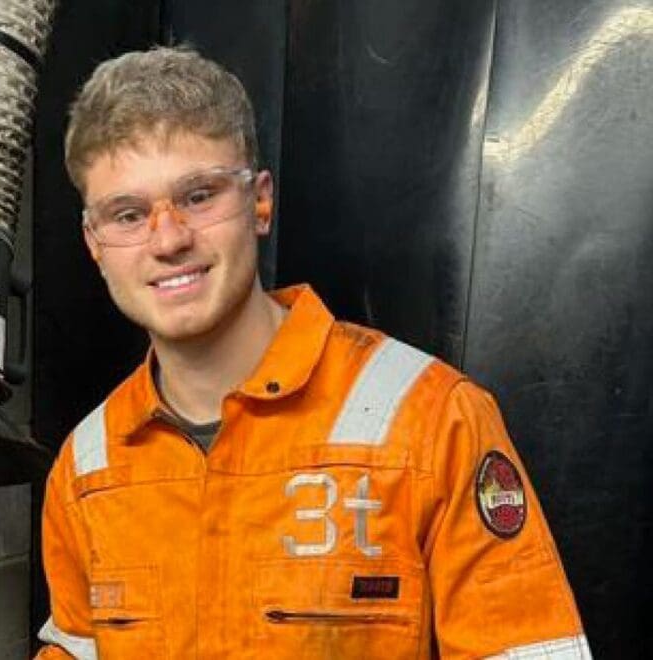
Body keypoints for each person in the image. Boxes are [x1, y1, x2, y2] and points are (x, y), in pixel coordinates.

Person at [34, 46, 589, 659]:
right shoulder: (87, 469)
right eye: (128, 214)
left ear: (260, 202)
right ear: (94, 242)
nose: (168, 239)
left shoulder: (432, 421)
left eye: (198, 196)